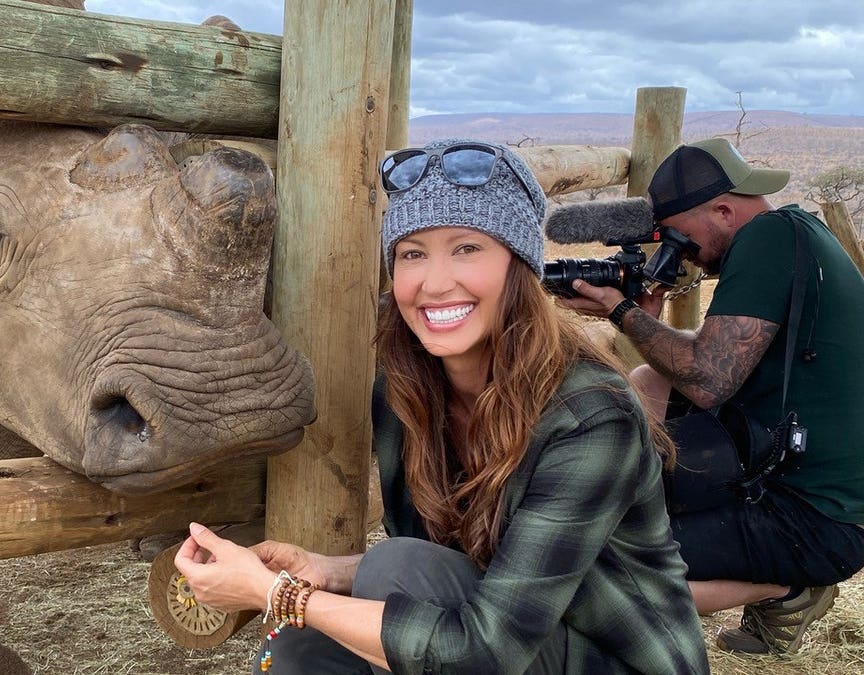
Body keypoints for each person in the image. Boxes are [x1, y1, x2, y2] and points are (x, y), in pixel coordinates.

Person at [174, 138, 709, 674]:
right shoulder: (406, 394)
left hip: (617, 661)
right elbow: (460, 570)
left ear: (519, 267)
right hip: (522, 637)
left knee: (384, 572)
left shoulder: (592, 417)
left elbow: (481, 649)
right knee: (299, 646)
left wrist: (276, 593)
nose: (433, 283)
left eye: (467, 248)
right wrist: (325, 572)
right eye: (412, 254)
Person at [559, 138, 864, 655]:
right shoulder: (793, 232)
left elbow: (708, 380)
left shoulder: (768, 238)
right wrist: (646, 323)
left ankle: (786, 587)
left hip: (819, 520)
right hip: (778, 462)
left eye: (680, 237)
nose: (680, 253)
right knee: (648, 380)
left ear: (723, 210)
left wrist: (620, 312)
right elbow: (712, 357)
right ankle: (642, 502)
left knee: (610, 562)